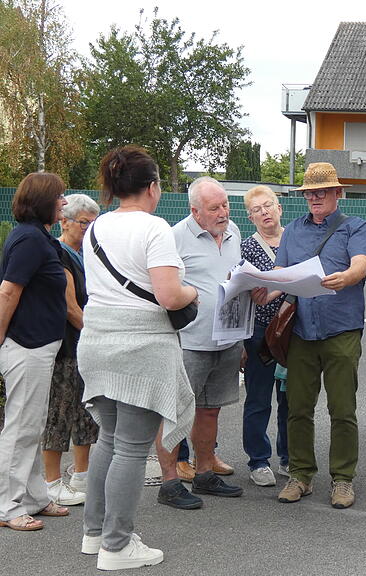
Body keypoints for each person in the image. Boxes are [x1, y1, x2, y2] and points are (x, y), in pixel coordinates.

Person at [78, 146, 198, 569]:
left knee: (107, 441)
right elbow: (169, 295)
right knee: (131, 447)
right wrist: (194, 292)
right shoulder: (155, 228)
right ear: (152, 187)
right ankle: (117, 545)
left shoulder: (93, 229)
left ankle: (95, 534)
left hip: (96, 343)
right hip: (140, 347)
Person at [256, 161, 366, 509]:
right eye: (310, 192)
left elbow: (361, 264)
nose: (315, 197)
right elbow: (282, 272)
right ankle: (301, 475)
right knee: (297, 408)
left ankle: (342, 479)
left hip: (341, 329)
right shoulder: (292, 230)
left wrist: (348, 277)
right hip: (302, 331)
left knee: (342, 408)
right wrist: (265, 288)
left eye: (322, 191)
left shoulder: (356, 226)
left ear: (338, 193)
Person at [155, 177, 244, 509]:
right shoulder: (175, 238)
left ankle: (205, 473)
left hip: (226, 339)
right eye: (214, 208)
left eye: (225, 205)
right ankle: (170, 482)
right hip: (189, 342)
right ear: (194, 210)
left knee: (210, 410)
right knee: (176, 412)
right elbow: (164, 289)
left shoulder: (233, 231)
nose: (223, 212)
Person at [0, 172, 68, 532]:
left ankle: (34, 497)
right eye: (59, 197)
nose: (64, 202)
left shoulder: (38, 237)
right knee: (21, 427)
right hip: (26, 347)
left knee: (32, 425)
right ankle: (7, 506)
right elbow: (8, 292)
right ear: (44, 200)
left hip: (40, 347)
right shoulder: (28, 240)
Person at [42, 193, 100, 507]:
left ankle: (82, 475)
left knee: (86, 412)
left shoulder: (91, 253)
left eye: (94, 224)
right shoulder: (58, 253)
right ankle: (51, 482)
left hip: (86, 345)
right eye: (83, 223)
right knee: (59, 413)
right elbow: (70, 307)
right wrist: (98, 333)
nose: (88, 229)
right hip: (65, 345)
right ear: (64, 221)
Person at [241, 185, 289, 486]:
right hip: (259, 332)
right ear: (250, 217)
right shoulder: (246, 247)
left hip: (292, 330)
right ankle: (258, 460)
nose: (264, 213)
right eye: (257, 210)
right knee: (258, 399)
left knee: (291, 399)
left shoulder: (296, 239)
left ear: (279, 208)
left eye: (268, 205)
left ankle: (289, 456)